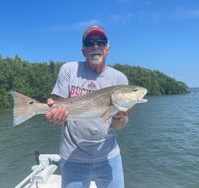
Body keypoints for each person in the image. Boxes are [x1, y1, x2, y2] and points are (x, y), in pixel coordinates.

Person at [46, 24, 131, 188]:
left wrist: (121, 117)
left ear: (107, 48)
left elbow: (119, 126)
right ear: (83, 50)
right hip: (73, 157)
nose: (95, 46)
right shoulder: (69, 70)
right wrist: (54, 115)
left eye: (101, 41)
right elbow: (57, 106)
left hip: (109, 157)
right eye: (89, 42)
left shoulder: (120, 80)